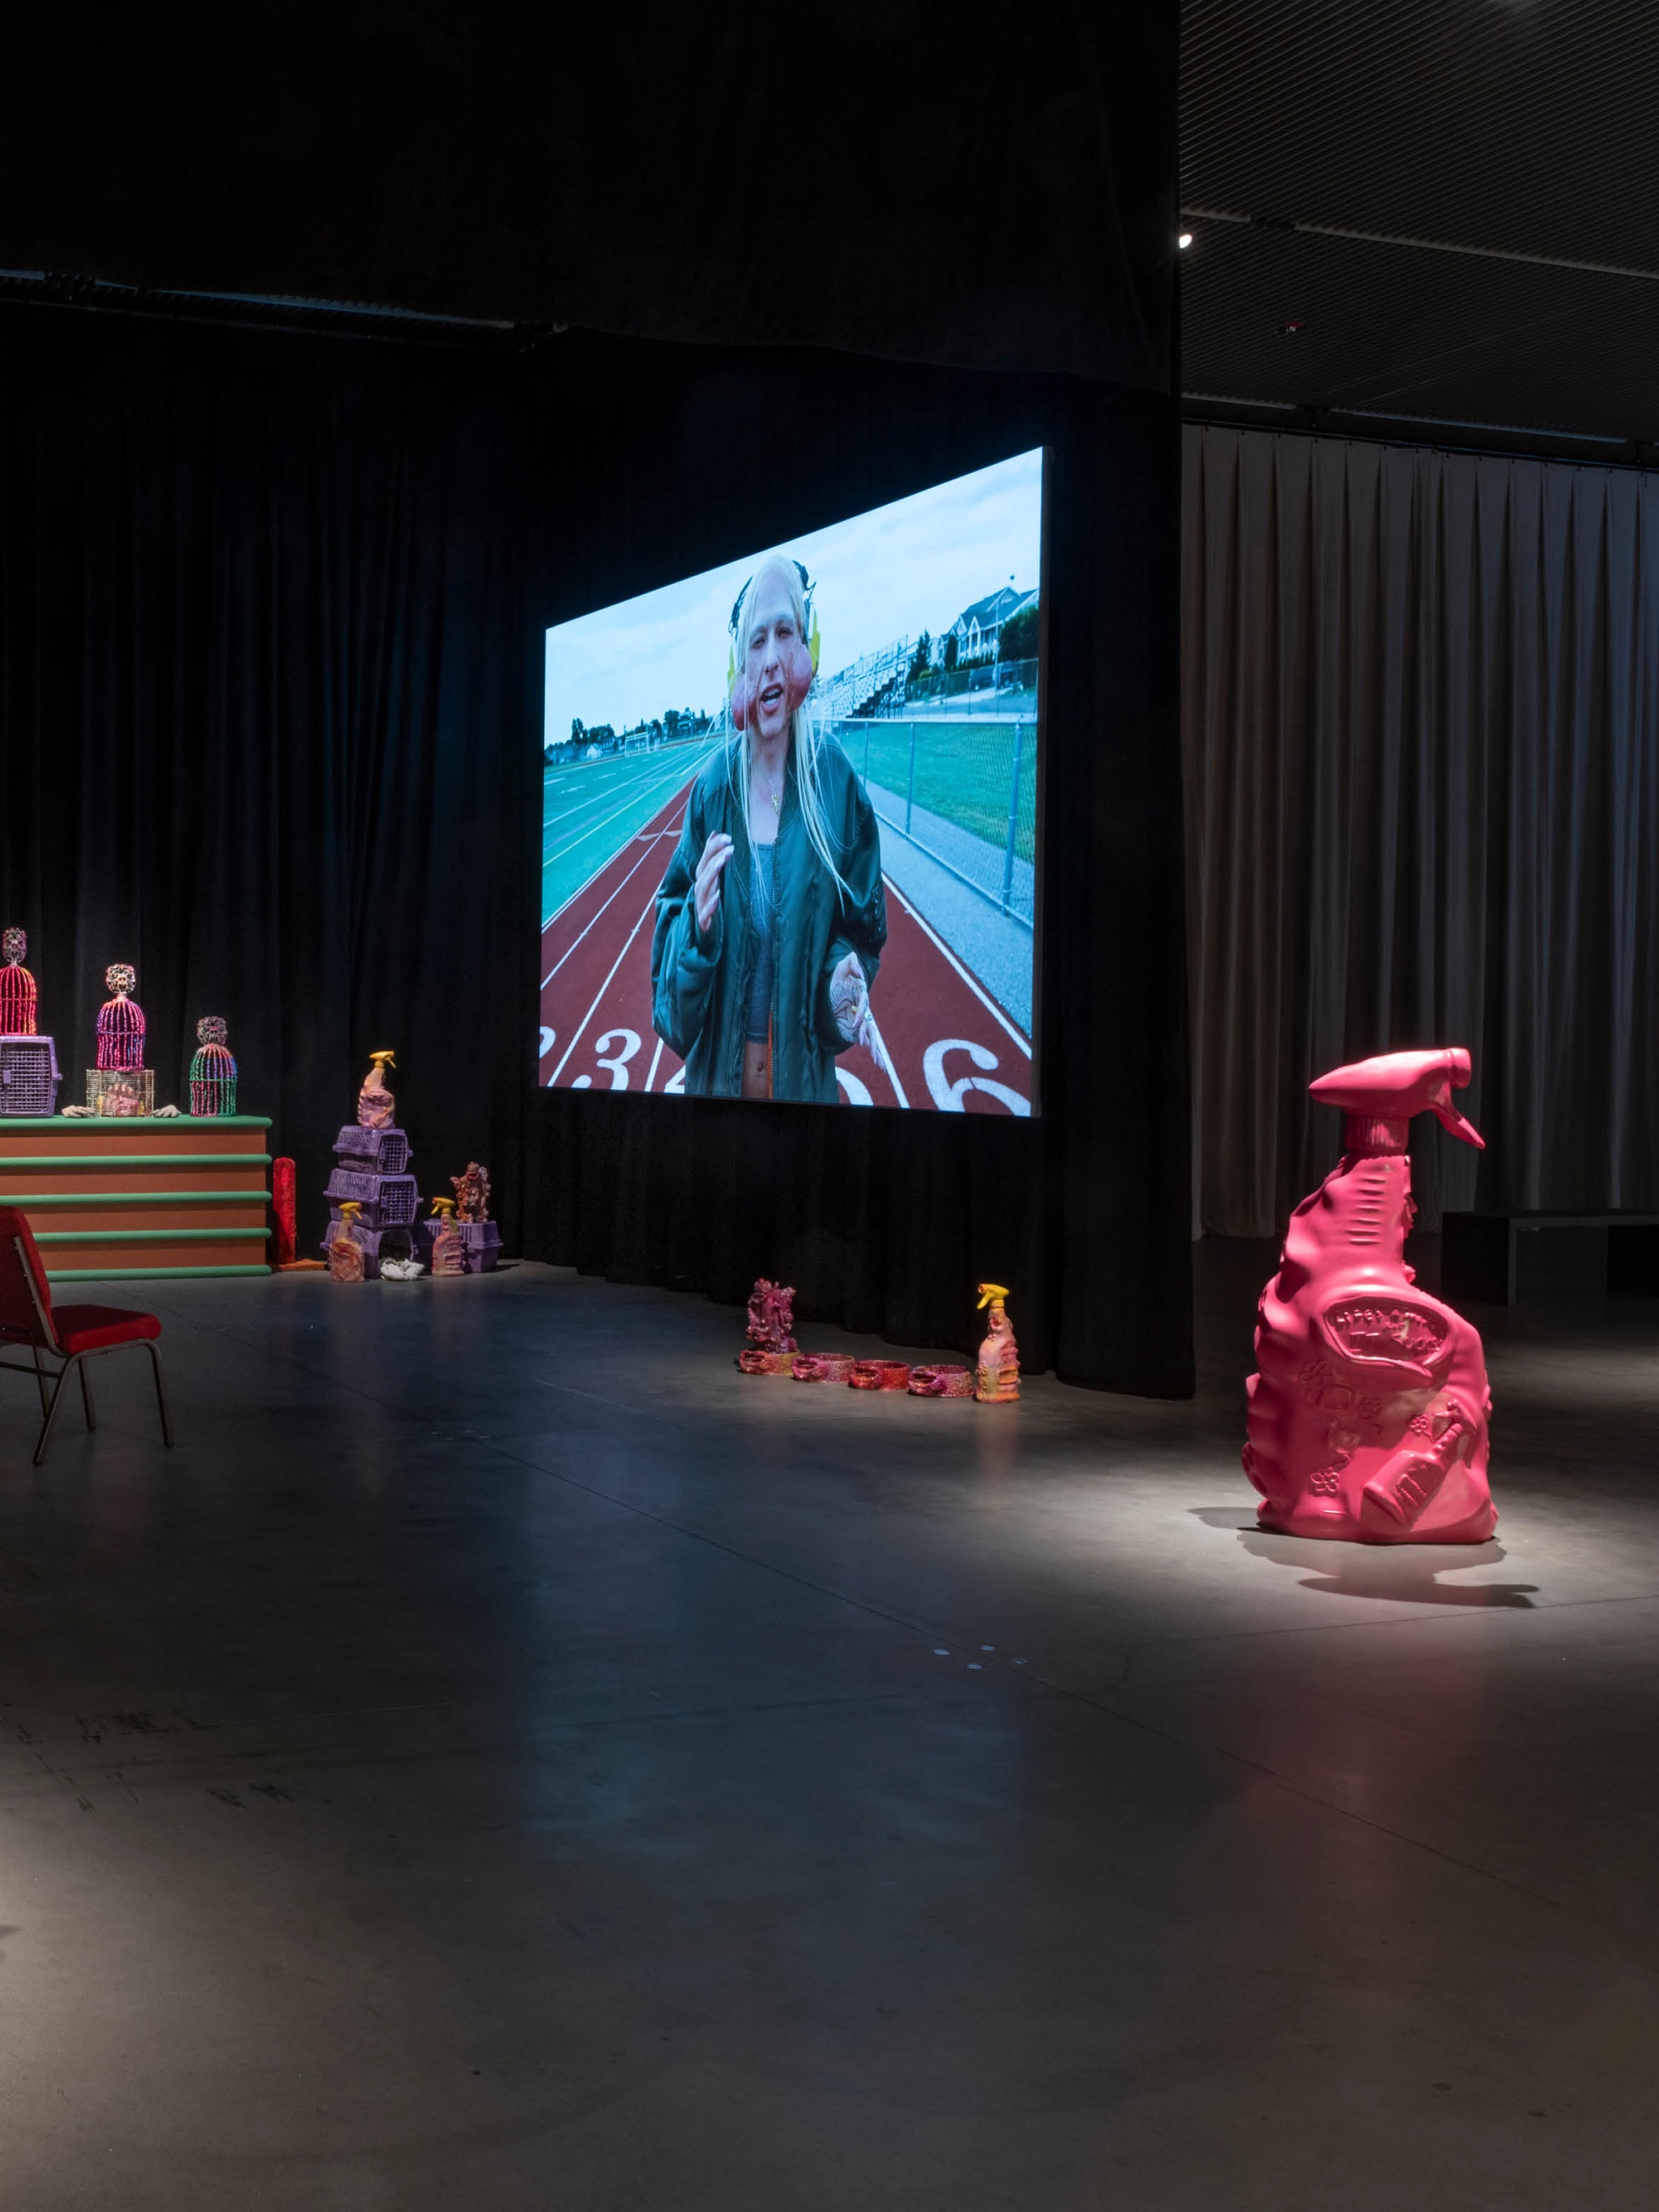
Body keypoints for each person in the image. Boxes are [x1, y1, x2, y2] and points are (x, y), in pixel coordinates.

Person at [650, 556, 886, 1100]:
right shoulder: (713, 789)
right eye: (758, 641)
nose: (773, 658)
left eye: (786, 632)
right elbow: (671, 1006)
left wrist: (841, 987)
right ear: (738, 667)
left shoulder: (836, 785)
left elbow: (861, 932)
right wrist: (697, 931)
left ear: (810, 647)